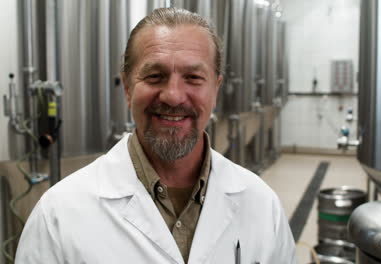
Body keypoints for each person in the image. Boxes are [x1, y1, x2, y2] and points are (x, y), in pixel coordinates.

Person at [15, 8, 296, 264]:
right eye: (154, 76)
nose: (173, 96)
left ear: (216, 89)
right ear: (127, 87)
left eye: (193, 78)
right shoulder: (58, 215)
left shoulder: (262, 204)